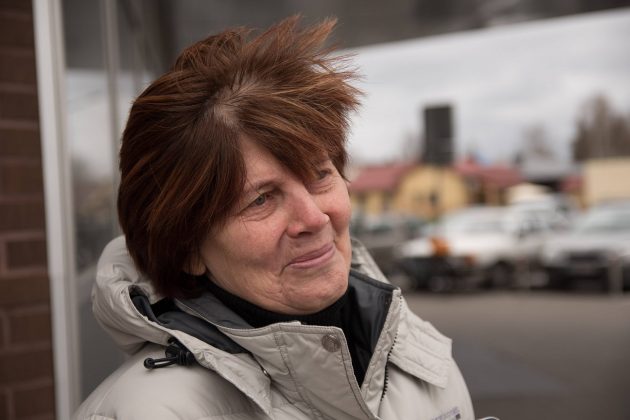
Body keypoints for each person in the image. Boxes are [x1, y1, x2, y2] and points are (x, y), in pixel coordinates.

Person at [74, 16, 475, 420]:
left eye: (320, 175)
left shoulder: (421, 366)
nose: (314, 218)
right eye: (261, 199)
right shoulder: (150, 412)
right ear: (186, 249)